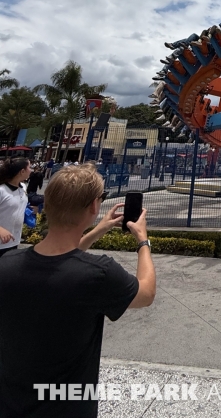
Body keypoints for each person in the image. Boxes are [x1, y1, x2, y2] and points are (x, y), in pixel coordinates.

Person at [0, 162, 156, 417]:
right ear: (94, 207)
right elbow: (146, 293)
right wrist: (143, 240)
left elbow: (60, 258)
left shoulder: (6, 265)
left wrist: (98, 229)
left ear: (47, 204)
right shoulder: (99, 273)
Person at [0, 157, 32, 258]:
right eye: (29, 167)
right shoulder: (2, 190)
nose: (31, 170)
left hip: (13, 240)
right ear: (22, 171)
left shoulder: (23, 187)